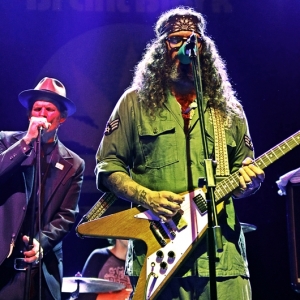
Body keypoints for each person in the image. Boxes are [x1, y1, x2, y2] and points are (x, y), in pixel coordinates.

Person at [94, 6, 265, 300]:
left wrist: (251, 182)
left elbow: (245, 170)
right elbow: (107, 167)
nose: (186, 46)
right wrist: (147, 197)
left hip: (222, 259)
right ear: (161, 49)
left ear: (203, 48)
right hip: (158, 255)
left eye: (193, 39)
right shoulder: (134, 103)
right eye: (176, 39)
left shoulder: (228, 109)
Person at [0, 77, 85, 300]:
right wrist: (26, 141)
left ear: (62, 118)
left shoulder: (73, 163)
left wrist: (42, 242)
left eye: (49, 109)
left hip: (42, 269)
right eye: (37, 108)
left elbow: (66, 216)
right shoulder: (6, 142)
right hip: (3, 267)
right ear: (29, 115)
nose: (42, 114)